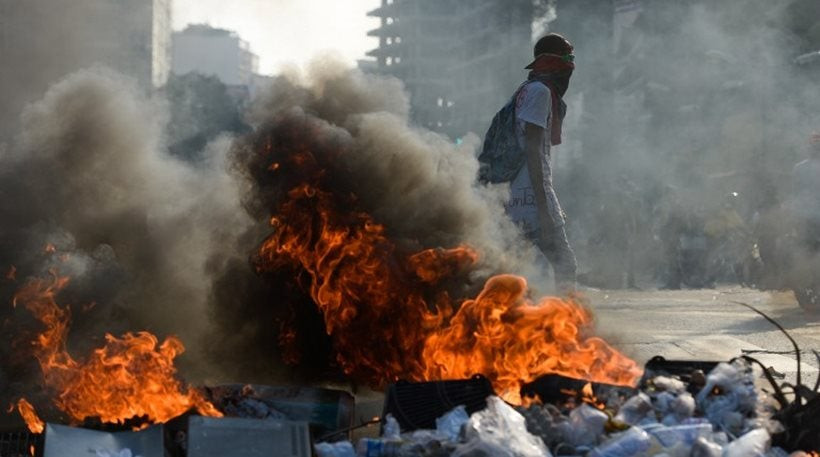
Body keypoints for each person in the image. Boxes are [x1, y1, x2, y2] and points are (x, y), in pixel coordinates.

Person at [503, 33, 578, 293]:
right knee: (565, 263)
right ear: (553, 61)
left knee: (514, 270)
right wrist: (544, 210)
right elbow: (533, 149)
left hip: (517, 197)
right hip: (532, 198)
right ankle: (570, 325)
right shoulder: (540, 93)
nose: (572, 65)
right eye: (569, 58)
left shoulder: (526, 90)